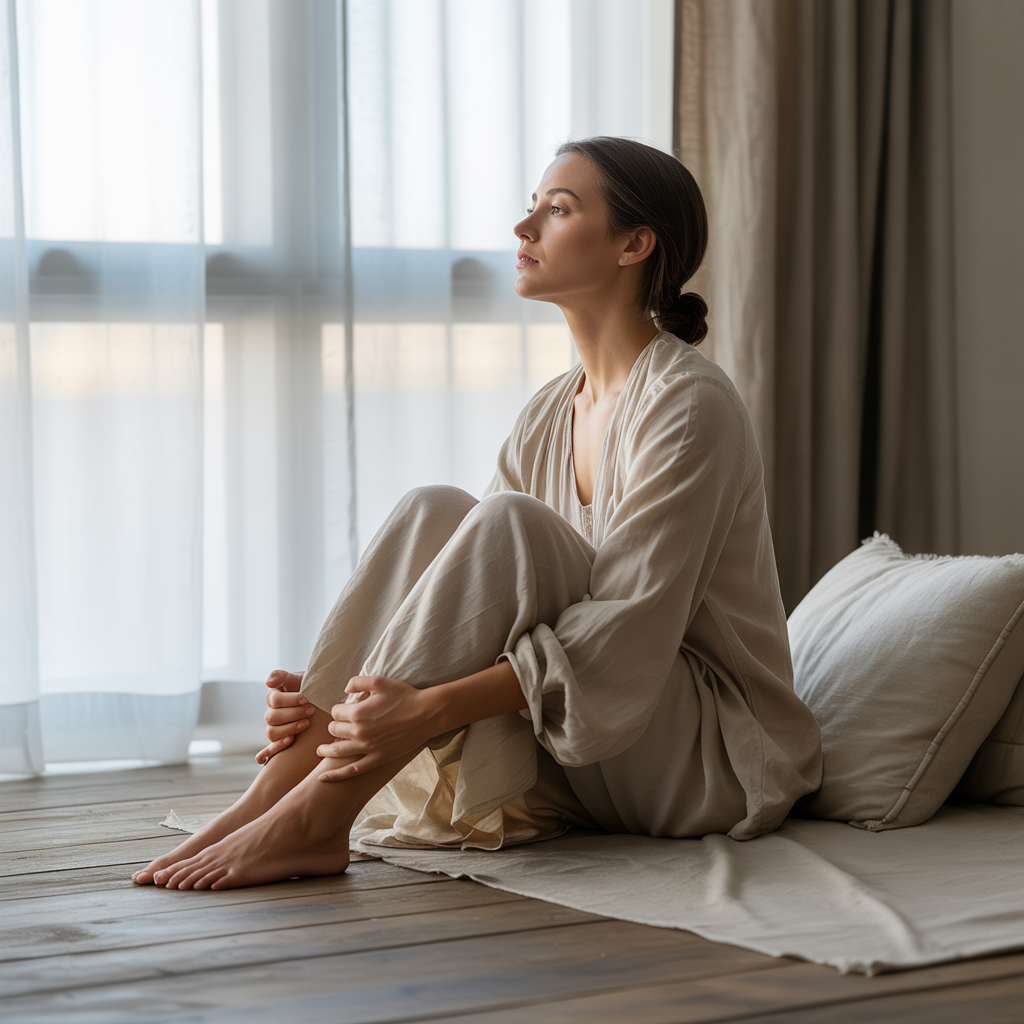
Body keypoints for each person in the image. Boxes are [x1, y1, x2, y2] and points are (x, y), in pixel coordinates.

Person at [134, 136, 822, 891]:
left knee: (508, 520)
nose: (524, 230)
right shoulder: (549, 412)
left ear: (635, 243)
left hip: (706, 758)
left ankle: (316, 816)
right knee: (439, 510)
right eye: (530, 209)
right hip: (584, 743)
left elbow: (628, 633)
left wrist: (426, 708)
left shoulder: (690, 405)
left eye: (557, 210)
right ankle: (281, 786)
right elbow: (469, 593)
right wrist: (342, 691)